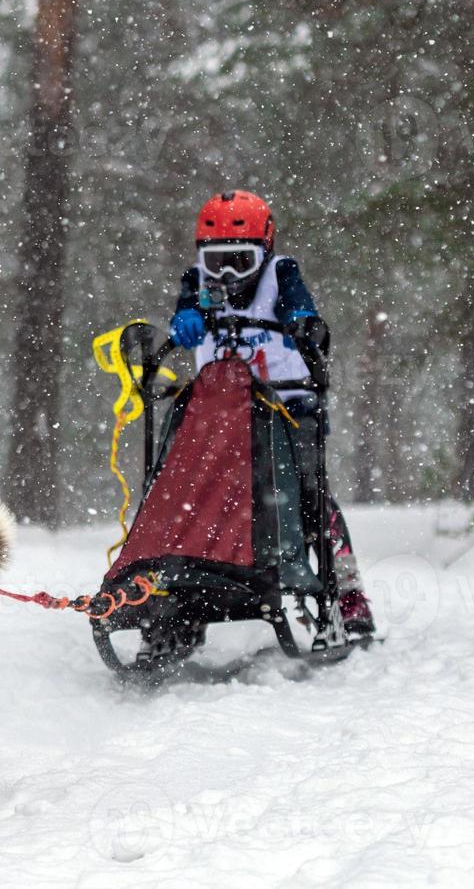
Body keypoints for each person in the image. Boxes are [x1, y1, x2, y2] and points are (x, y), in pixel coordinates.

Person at [169, 190, 374, 637]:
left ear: (265, 251)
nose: (226, 274)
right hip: (221, 414)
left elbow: (299, 306)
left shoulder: (281, 275)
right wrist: (184, 319)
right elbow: (185, 310)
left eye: (240, 260)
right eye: (216, 260)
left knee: (308, 493)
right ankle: (186, 592)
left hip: (289, 406)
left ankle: (347, 593)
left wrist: (301, 319)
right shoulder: (197, 283)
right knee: (193, 494)